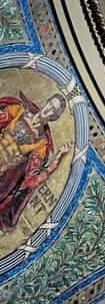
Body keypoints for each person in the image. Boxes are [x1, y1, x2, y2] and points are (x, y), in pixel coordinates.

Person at [0, 89, 71, 232]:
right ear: (46, 103)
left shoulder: (42, 145)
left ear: (54, 117)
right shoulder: (19, 110)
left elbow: (33, 178)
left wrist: (57, 159)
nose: (49, 109)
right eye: (50, 104)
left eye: (54, 110)